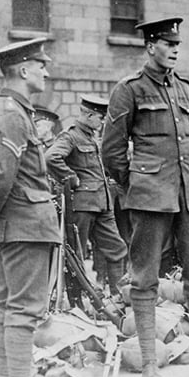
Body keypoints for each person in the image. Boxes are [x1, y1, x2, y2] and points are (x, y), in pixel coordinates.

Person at [101, 17, 189, 377]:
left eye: (177, 44)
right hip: (150, 196)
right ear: (150, 46)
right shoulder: (129, 89)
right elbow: (111, 151)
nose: (175, 49)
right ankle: (150, 364)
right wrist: (137, 184)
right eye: (167, 43)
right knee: (145, 277)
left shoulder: (185, 88)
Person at [0, 37, 64, 377]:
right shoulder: (13, 114)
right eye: (41, 65)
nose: (46, 72)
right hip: (24, 226)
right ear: (24, 70)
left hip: (10, 226)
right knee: (24, 310)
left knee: (4, 306)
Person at [45, 95, 129, 297]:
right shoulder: (71, 136)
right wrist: (71, 178)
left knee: (117, 249)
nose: (103, 122)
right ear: (89, 116)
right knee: (77, 252)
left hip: (103, 204)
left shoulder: (92, 137)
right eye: (101, 118)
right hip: (82, 204)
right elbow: (51, 157)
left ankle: (118, 296)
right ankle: (77, 299)